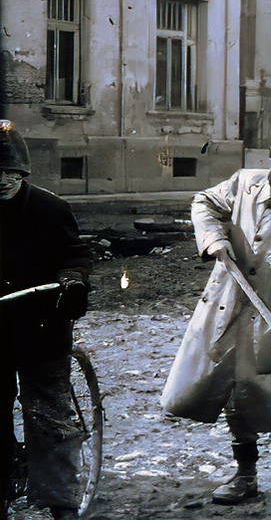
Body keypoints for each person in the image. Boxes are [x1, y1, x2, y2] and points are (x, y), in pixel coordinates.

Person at [161, 124, 271, 520]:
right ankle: (246, 475)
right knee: (236, 393)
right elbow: (204, 202)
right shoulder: (245, 182)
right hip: (231, 307)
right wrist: (213, 238)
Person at [0, 121, 92, 520]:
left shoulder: (51, 209)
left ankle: (61, 501)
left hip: (41, 328)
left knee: (49, 416)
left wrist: (71, 282)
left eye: (12, 173)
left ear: (24, 173)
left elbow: (74, 255)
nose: (4, 181)